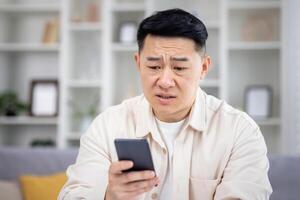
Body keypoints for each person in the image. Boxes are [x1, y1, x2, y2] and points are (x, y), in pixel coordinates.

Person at [59, 8, 272, 200]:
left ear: (204, 68)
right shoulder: (107, 126)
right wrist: (109, 196)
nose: (165, 81)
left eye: (179, 68)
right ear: (138, 63)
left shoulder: (239, 131)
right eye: (153, 67)